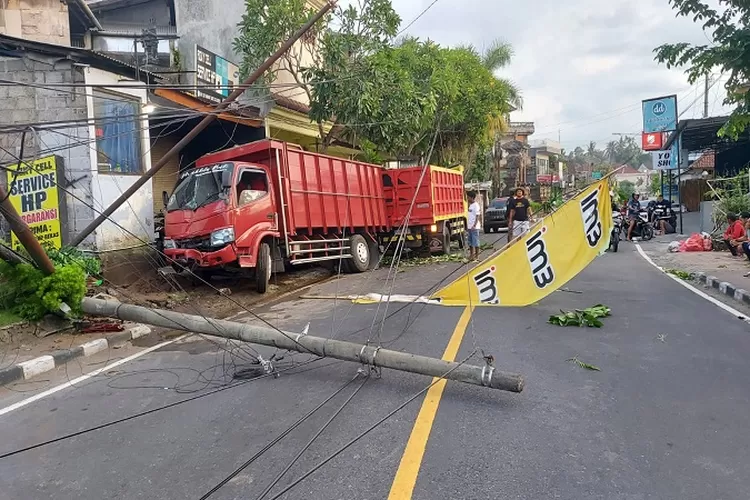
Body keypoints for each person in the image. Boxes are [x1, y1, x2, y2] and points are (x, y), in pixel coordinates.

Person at [466, 191, 481, 261]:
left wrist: (474, 225)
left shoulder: (476, 205)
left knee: (476, 242)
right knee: (470, 242)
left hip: (475, 227)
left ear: (472, 197)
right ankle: (471, 255)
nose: (467, 198)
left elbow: (477, 216)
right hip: (469, 227)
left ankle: (477, 256)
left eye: (468, 197)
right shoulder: (470, 205)